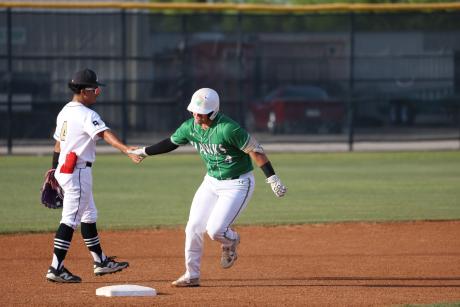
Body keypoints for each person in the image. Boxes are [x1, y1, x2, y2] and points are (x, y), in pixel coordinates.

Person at [129, 88, 287, 287]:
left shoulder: (229, 129)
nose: (195, 114)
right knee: (193, 227)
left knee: (215, 231)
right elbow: (170, 142)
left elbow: (256, 152)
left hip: (238, 184)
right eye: (193, 110)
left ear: (213, 112)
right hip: (211, 182)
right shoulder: (190, 127)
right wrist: (144, 151)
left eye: (200, 112)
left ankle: (231, 241)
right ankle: (191, 275)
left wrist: (272, 178)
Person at [45, 68, 142, 283]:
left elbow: (58, 143)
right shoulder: (87, 114)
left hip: (65, 169)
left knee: (89, 215)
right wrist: (125, 149)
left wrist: (53, 169)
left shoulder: (65, 111)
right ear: (84, 91)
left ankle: (101, 261)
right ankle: (56, 268)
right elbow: (104, 133)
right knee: (70, 220)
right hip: (78, 172)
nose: (98, 92)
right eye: (96, 89)